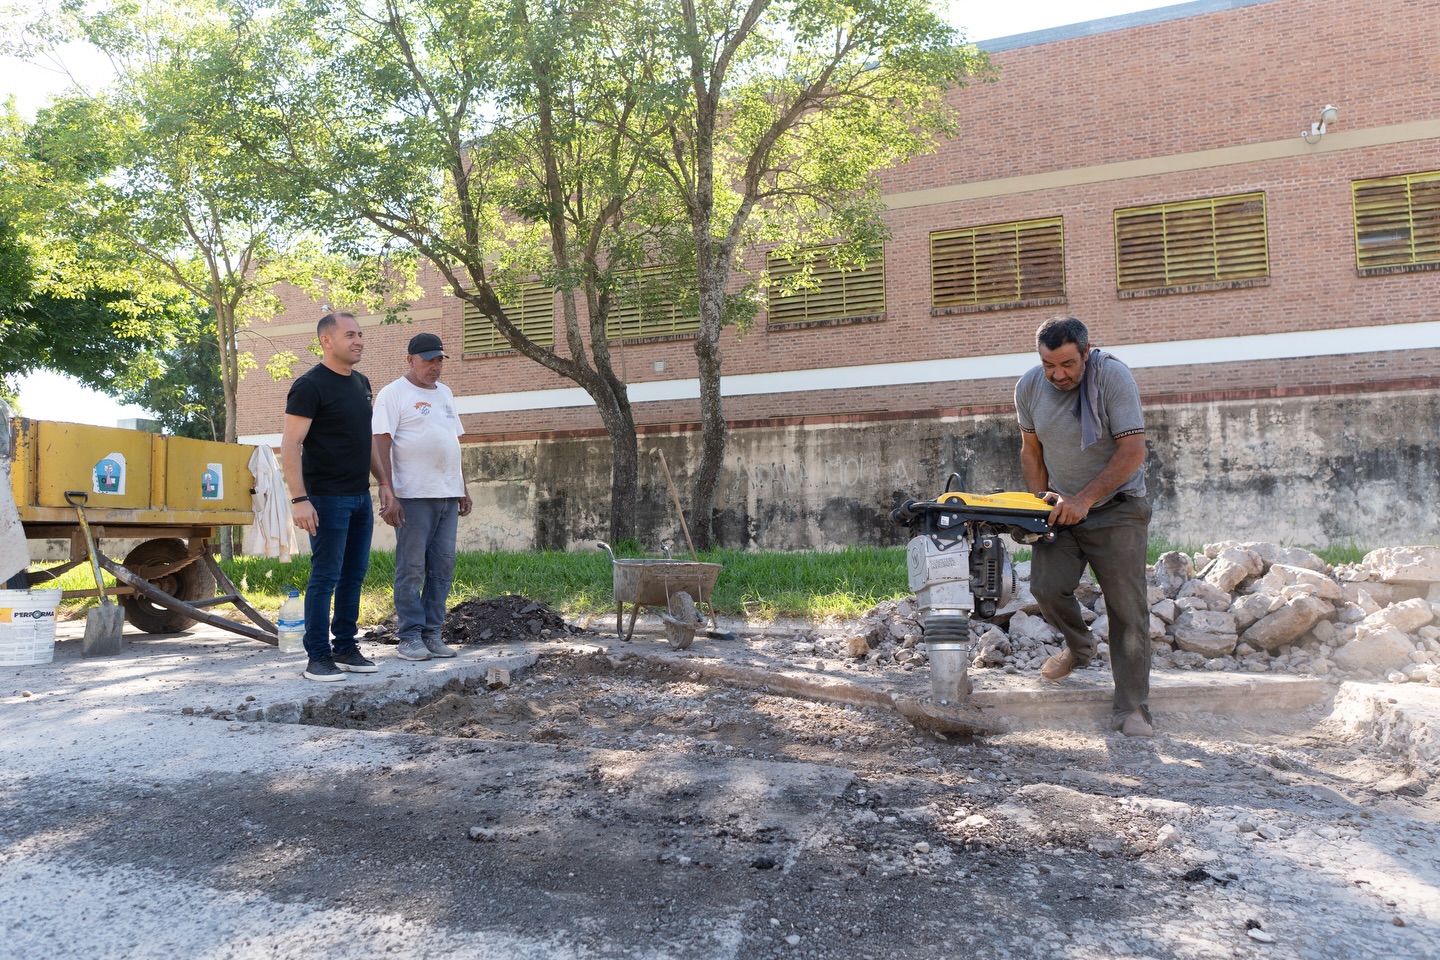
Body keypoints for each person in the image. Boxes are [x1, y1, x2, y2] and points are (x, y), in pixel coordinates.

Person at [1015, 316, 1154, 738]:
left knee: (1127, 611)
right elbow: (1031, 451)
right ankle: (1079, 647)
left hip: (1118, 509)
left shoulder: (1113, 377)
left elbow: (1132, 451)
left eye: (1068, 365)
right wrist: (1040, 506)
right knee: (1045, 586)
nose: (1058, 374)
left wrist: (1085, 500)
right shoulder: (1028, 387)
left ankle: (1133, 709)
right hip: (1062, 507)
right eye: (1048, 364)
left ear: (1086, 352)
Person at [281, 312, 382, 682]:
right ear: (327, 341)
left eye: (360, 335)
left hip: (359, 496)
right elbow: (290, 444)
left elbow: (366, 439)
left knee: (354, 574)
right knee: (325, 576)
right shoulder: (310, 386)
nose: (358, 341)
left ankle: (344, 646)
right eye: (350, 335)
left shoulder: (361, 383)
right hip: (325, 498)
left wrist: (383, 481)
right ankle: (317, 657)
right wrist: (299, 499)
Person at [372, 333, 472, 661]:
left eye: (439, 359)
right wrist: (387, 489)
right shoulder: (393, 394)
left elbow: (451, 442)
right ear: (410, 360)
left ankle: (432, 633)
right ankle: (410, 636)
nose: (435, 365)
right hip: (412, 496)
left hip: (447, 494)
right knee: (412, 567)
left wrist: (463, 488)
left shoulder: (445, 394)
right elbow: (380, 443)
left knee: (443, 567)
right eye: (428, 359)